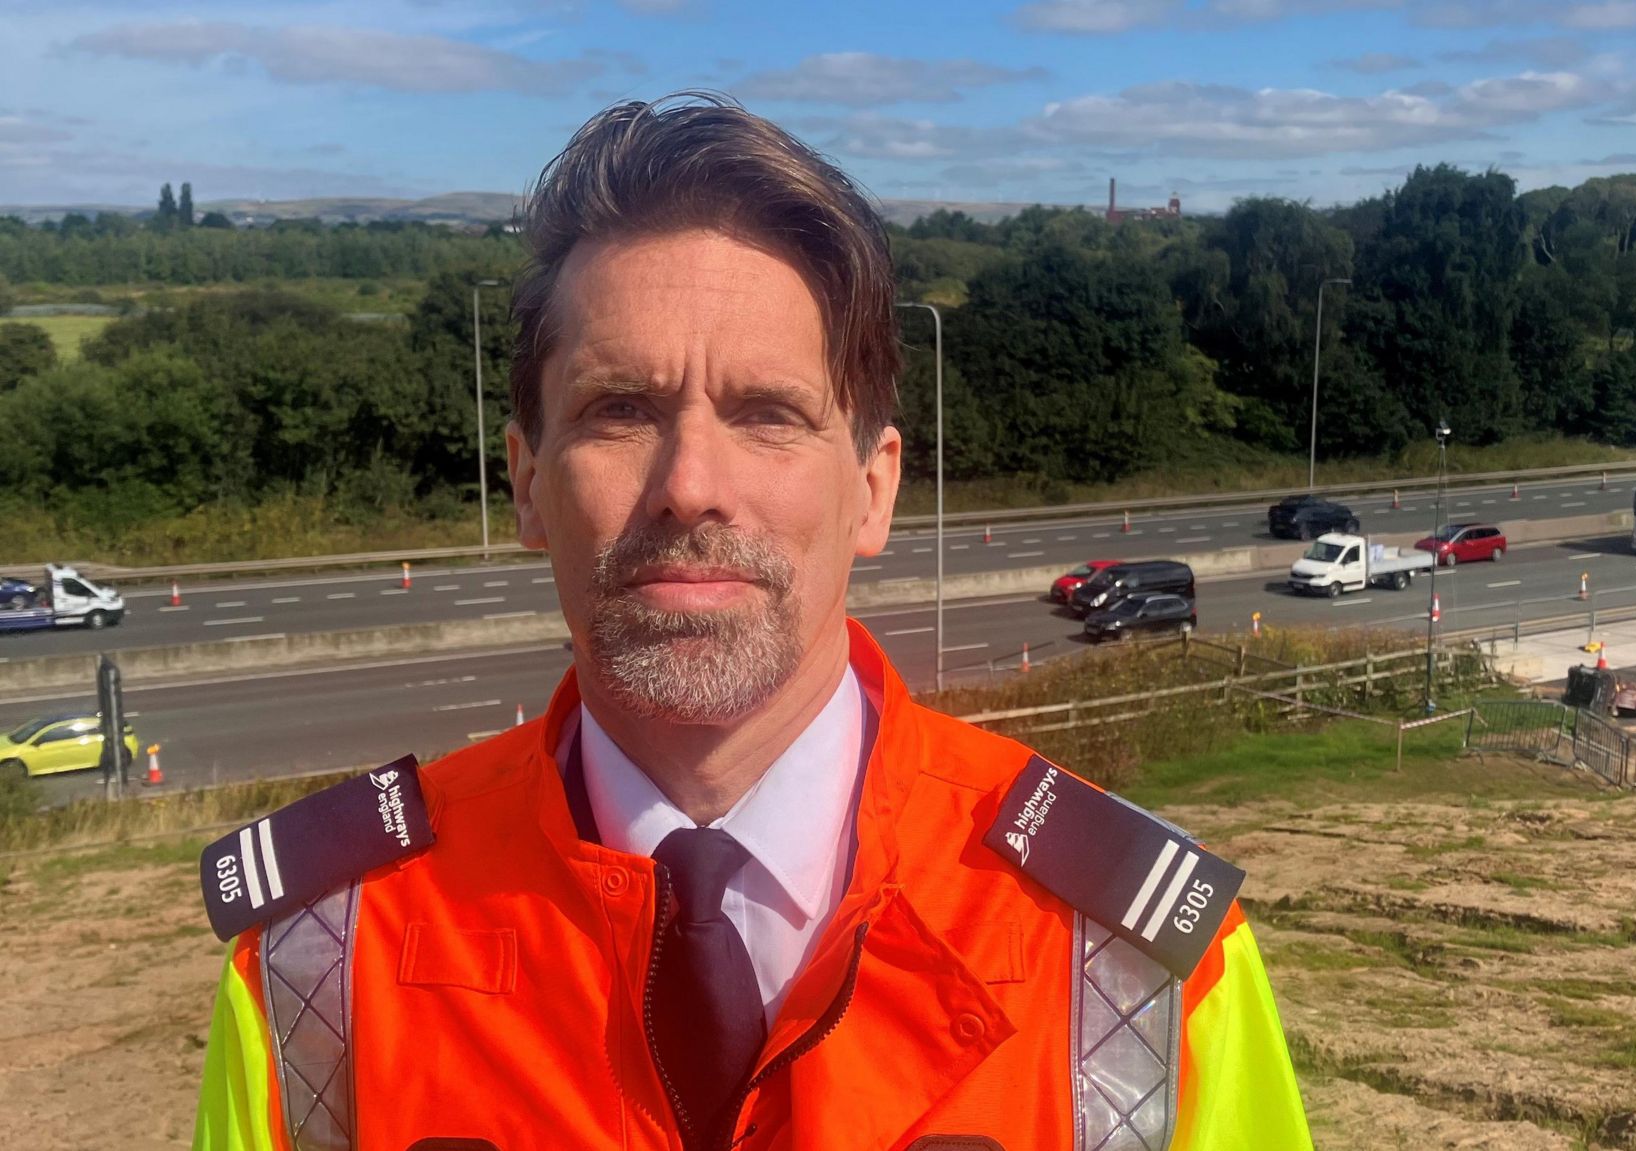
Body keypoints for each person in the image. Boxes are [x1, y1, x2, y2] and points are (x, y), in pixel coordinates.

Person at [191, 92, 1312, 1151]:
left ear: (871, 490)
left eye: (766, 413)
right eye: (619, 409)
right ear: (527, 484)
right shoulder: (321, 949)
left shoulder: (1136, 959)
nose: (690, 483)